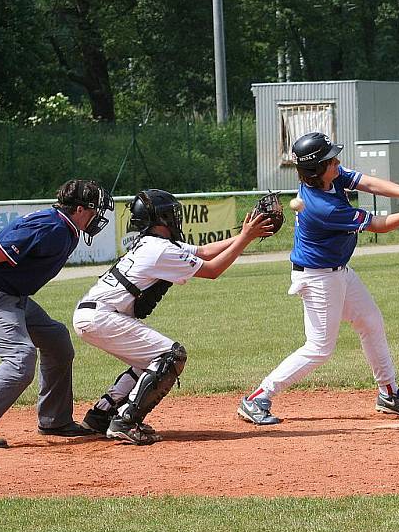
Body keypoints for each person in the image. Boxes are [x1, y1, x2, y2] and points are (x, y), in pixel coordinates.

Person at [237, 131, 399, 426]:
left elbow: (367, 182)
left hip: (338, 270)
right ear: (317, 170)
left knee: (370, 321)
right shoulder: (323, 207)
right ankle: (258, 398)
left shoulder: (329, 178)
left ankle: (389, 392)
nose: (338, 161)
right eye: (331, 159)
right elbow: (378, 225)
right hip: (319, 278)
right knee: (319, 347)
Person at [73, 189, 273, 445]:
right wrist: (245, 239)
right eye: (171, 213)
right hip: (102, 316)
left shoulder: (152, 243)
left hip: (94, 313)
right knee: (171, 355)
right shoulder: (159, 250)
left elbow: (204, 252)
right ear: (161, 218)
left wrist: (245, 235)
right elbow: (212, 270)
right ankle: (126, 421)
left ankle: (101, 415)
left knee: (149, 361)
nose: (175, 218)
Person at [0, 180, 114, 451]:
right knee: (20, 359)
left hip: (14, 297)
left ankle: (54, 420)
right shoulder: (51, 227)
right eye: (95, 210)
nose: (99, 216)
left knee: (57, 340)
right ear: (80, 209)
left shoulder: (60, 225)